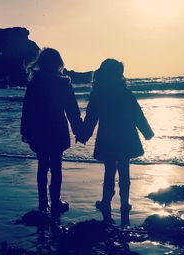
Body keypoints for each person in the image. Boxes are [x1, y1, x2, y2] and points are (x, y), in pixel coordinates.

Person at [78, 59, 154, 226]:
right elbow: (137, 115)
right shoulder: (125, 93)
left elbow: (91, 118)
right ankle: (124, 203)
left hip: (108, 137)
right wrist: (147, 132)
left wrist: (83, 135)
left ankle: (106, 201)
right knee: (124, 170)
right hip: (126, 136)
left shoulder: (98, 94)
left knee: (109, 171)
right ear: (118, 75)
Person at [21, 48, 82, 216]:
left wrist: (25, 131)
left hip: (39, 129)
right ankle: (55, 202)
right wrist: (79, 130)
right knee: (56, 166)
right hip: (57, 129)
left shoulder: (35, 83)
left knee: (42, 165)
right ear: (58, 63)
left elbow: (27, 109)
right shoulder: (63, 84)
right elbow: (72, 110)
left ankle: (43, 204)